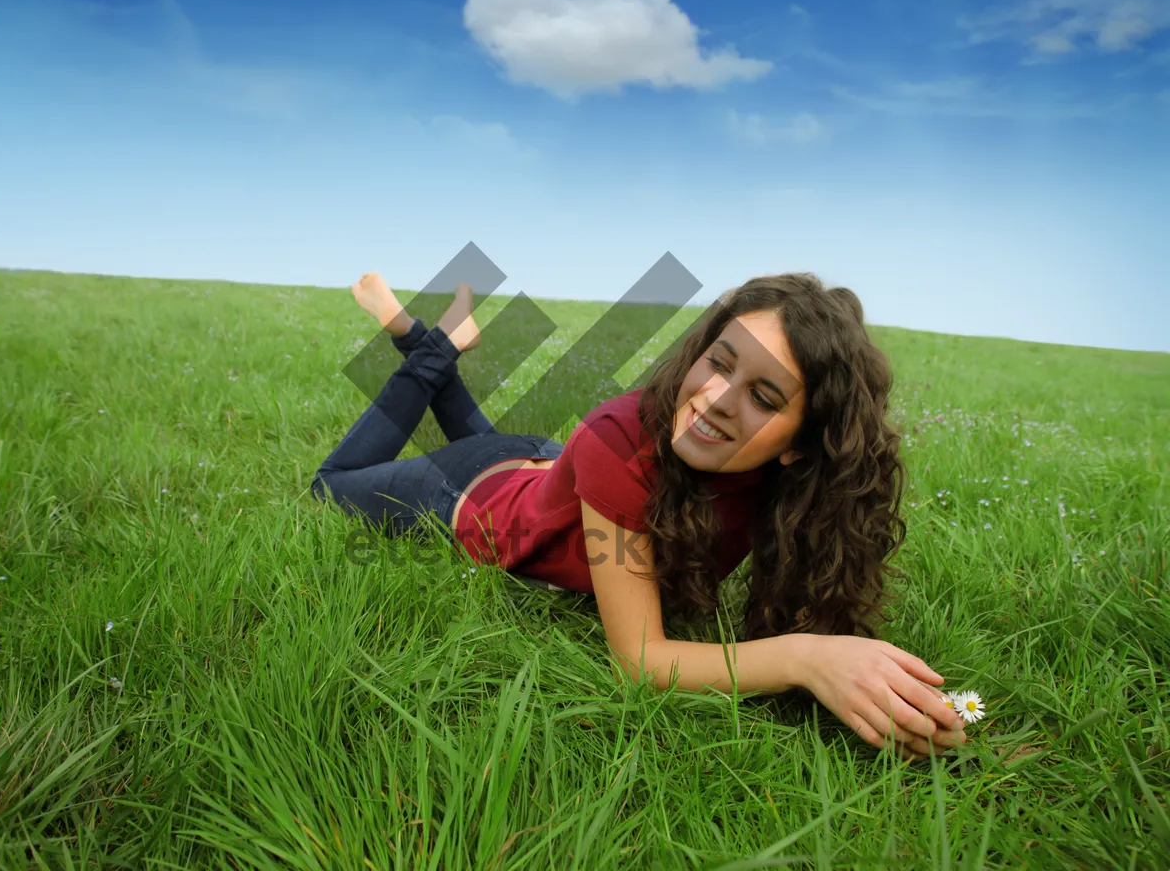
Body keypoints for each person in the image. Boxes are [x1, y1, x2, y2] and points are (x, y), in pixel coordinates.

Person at [312, 271, 967, 761]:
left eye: (763, 396)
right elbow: (641, 659)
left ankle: (445, 345)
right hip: (470, 493)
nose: (713, 399)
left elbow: (812, 615)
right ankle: (418, 339)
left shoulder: (782, 481)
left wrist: (866, 674)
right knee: (330, 483)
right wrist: (805, 658)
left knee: (527, 457)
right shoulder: (621, 445)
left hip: (550, 464)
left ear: (800, 444)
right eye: (719, 362)